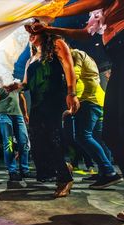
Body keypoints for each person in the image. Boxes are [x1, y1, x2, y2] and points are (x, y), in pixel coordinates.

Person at [29, 0, 124, 221]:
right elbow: (87, 33)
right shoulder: (101, 16)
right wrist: (49, 27)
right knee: (111, 133)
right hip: (121, 54)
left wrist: (52, 12)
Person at [14, 28, 80, 197]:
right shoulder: (30, 60)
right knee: (38, 142)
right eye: (28, 32)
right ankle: (63, 169)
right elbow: (26, 84)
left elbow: (68, 66)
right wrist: (16, 86)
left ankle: (65, 178)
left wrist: (71, 93)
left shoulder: (57, 44)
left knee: (53, 139)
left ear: (44, 30)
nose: (31, 34)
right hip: (37, 104)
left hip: (54, 99)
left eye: (34, 29)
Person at [70, 48, 122, 188]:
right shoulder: (87, 56)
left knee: (82, 136)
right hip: (98, 99)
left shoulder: (74, 54)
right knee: (99, 138)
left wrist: (73, 98)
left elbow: (74, 76)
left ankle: (108, 172)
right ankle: (104, 171)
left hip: (88, 100)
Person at [0, 83, 30, 185]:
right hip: (3, 114)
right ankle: (12, 171)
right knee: (9, 143)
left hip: (18, 114)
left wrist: (25, 114)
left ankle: (24, 169)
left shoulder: (14, 79)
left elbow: (21, 97)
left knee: (24, 142)